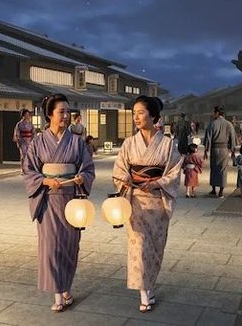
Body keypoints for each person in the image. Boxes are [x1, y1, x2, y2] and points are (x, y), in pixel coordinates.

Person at [22, 94, 95, 312]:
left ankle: (66, 287)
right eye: (61, 112)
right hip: (47, 200)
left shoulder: (76, 142)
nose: (65, 116)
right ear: (49, 114)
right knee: (51, 248)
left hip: (71, 199)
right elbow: (28, 170)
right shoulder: (38, 142)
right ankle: (58, 295)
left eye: (67, 111)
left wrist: (82, 177)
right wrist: (44, 180)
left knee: (69, 247)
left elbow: (88, 167)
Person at [112, 95, 182, 313]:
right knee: (139, 247)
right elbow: (120, 171)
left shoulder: (168, 144)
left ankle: (149, 285)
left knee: (154, 249)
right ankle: (144, 292)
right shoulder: (129, 144)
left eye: (140, 112)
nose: (136, 117)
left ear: (153, 115)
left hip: (157, 203)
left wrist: (157, 183)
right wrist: (128, 182)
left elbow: (174, 171)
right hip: (135, 203)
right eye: (134, 113)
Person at [202, 106, 236, 198]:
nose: (212, 114)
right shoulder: (229, 124)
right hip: (224, 149)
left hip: (214, 149)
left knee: (214, 168)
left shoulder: (212, 124)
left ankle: (213, 189)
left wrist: (206, 150)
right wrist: (232, 150)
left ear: (217, 113)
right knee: (223, 169)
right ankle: (221, 191)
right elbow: (232, 138)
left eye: (213, 112)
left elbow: (208, 137)